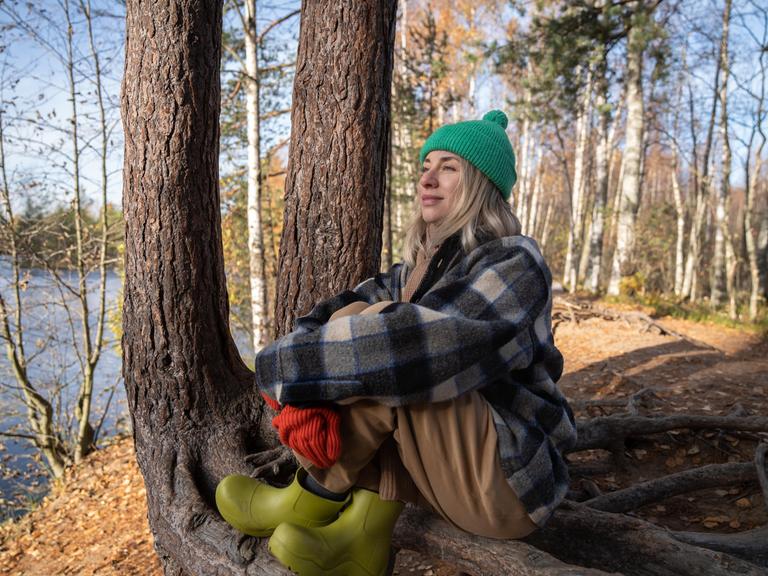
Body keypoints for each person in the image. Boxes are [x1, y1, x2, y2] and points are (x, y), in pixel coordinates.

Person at [215, 110, 577, 576]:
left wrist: (289, 374)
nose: (428, 178)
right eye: (426, 166)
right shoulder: (420, 268)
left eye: (448, 167)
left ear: (481, 184)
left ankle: (313, 497)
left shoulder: (516, 262)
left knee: (393, 346)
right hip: (450, 472)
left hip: (509, 485)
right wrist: (304, 384)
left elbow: (423, 348)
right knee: (357, 320)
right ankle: (361, 535)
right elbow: (333, 313)